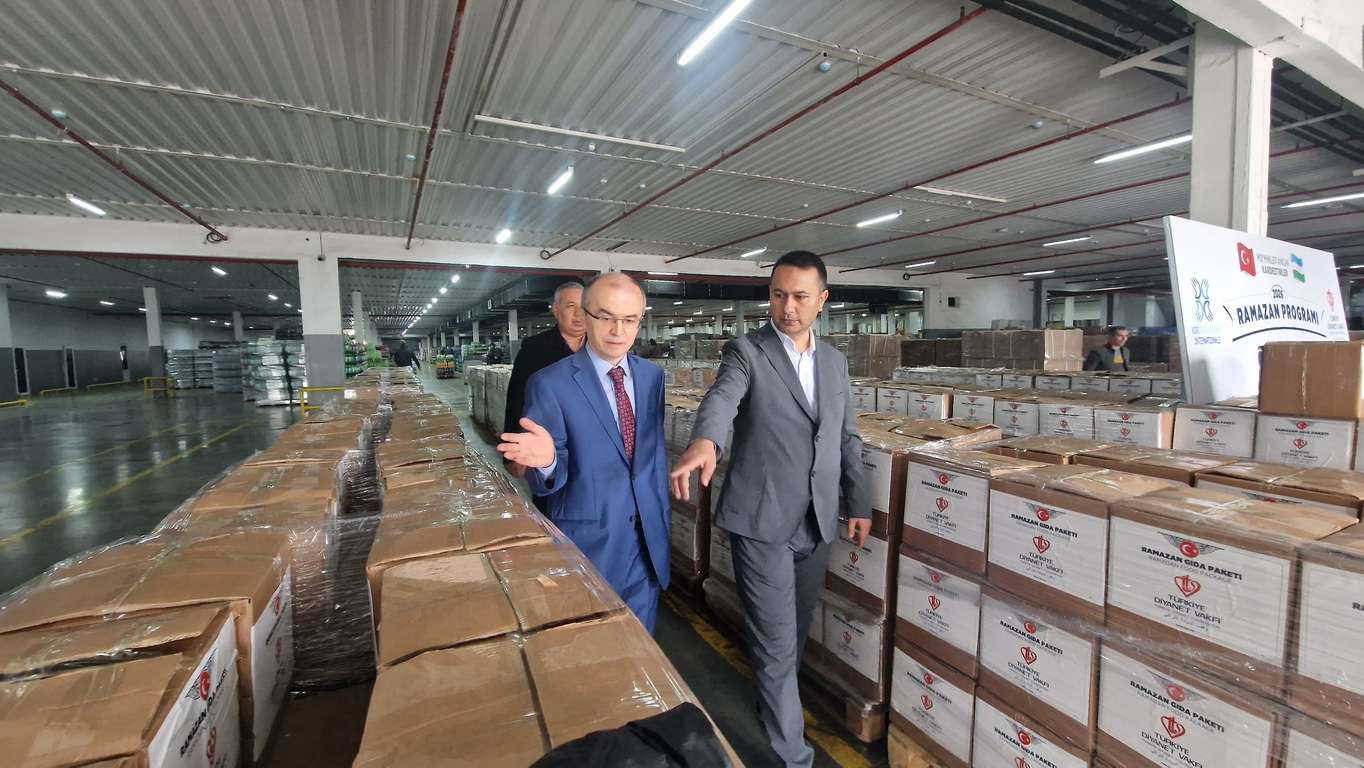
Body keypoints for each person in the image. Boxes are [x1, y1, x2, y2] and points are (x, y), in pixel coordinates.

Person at [670, 250, 870, 768]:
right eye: (778, 295)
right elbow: (722, 400)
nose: (787, 307)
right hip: (762, 520)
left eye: (800, 296)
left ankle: (773, 701)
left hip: (816, 519)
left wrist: (858, 502)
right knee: (777, 640)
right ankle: (793, 756)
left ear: (822, 300)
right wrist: (705, 441)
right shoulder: (747, 351)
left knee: (794, 630)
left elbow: (845, 437)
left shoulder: (834, 362)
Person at [497, 273, 669, 631]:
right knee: (591, 644)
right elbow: (548, 481)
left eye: (629, 320)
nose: (618, 330)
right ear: (587, 315)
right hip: (589, 544)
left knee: (642, 646)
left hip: (647, 544)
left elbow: (645, 458)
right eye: (605, 317)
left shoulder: (652, 378)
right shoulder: (549, 383)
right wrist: (547, 461)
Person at [502, 282, 588, 509]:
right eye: (570, 306)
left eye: (584, 306)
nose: (579, 314)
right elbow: (517, 398)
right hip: (547, 444)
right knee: (549, 501)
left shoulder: (599, 348)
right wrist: (512, 454)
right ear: (555, 309)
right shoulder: (535, 348)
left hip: (589, 445)